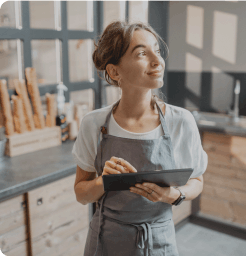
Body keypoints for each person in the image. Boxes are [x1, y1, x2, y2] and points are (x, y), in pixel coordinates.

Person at [72, 20, 208, 256]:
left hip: (159, 242)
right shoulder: (93, 124)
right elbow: (81, 194)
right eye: (142, 53)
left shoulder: (181, 121)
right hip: (105, 241)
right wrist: (103, 181)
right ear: (115, 71)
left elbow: (197, 181)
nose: (158, 61)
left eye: (157, 50)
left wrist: (173, 195)